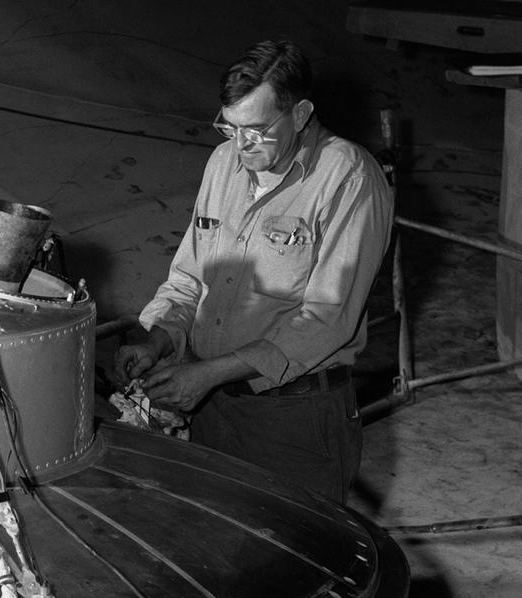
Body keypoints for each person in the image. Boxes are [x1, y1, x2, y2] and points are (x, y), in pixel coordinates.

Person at [113, 40, 393, 503]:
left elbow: (326, 319)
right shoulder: (224, 163)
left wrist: (206, 375)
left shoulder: (349, 179)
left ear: (301, 114)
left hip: (293, 425)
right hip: (212, 413)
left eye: (257, 130)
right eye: (230, 127)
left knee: (295, 561)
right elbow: (190, 278)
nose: (242, 145)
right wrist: (158, 340)